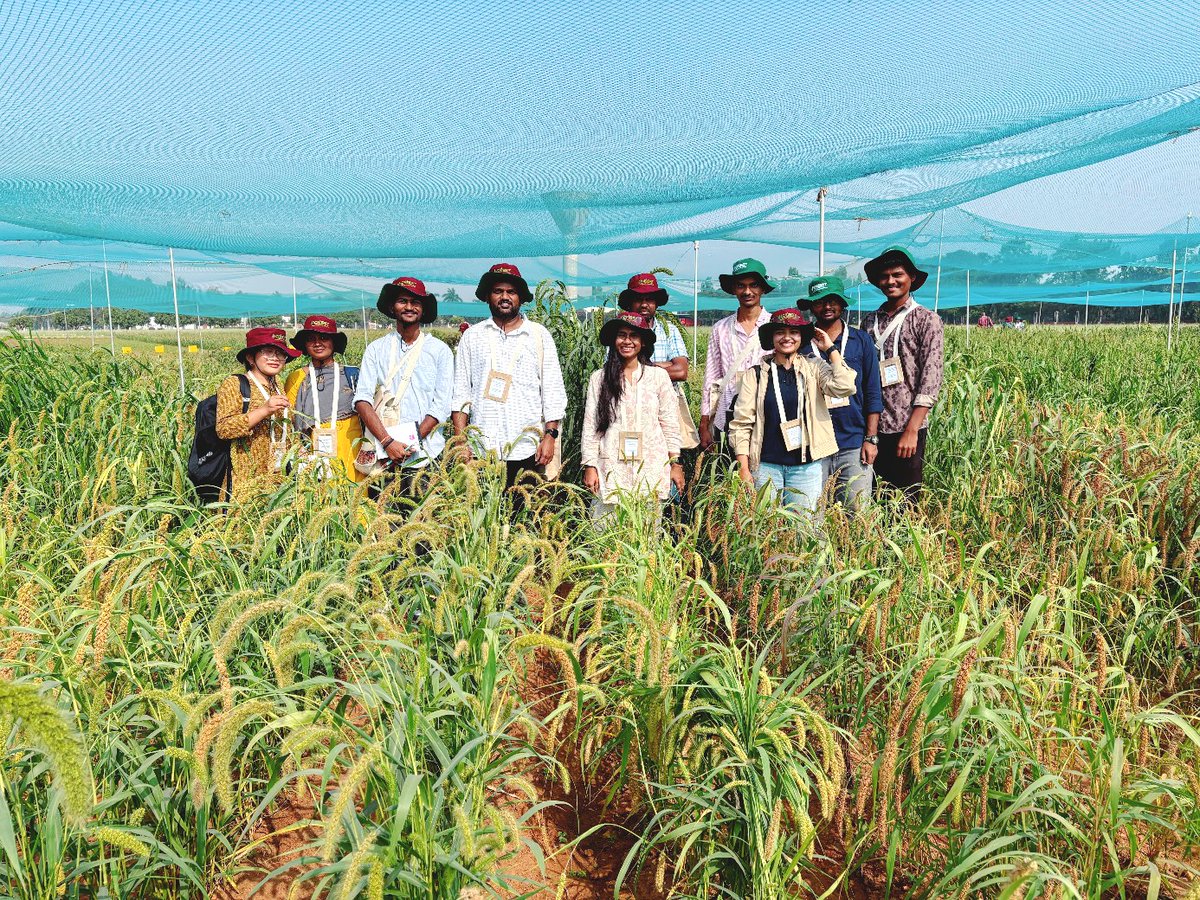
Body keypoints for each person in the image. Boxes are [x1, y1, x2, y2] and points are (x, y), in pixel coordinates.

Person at [728, 308, 856, 516]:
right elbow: (741, 423)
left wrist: (830, 349)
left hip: (806, 467)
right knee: (765, 528)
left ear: (801, 337)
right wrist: (743, 467)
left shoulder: (814, 368)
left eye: (794, 332)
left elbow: (845, 386)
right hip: (766, 466)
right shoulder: (756, 374)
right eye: (780, 332)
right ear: (772, 338)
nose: (787, 338)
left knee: (805, 531)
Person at [452, 263, 567, 487]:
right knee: (483, 516)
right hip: (481, 448)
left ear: (520, 298)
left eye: (511, 292)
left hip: (527, 447)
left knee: (524, 516)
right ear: (487, 297)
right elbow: (461, 393)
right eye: (498, 291)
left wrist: (550, 437)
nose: (505, 297)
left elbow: (553, 390)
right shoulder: (472, 337)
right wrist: (460, 442)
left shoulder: (538, 335)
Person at [352, 277, 454, 496]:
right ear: (392, 307)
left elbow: (441, 405)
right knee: (383, 522)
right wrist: (388, 442)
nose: (409, 307)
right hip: (382, 454)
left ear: (423, 309)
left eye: (416, 302)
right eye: (402, 301)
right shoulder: (376, 349)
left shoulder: (439, 351)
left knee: (425, 521)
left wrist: (409, 444)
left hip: (426, 453)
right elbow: (362, 400)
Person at [860, 247, 944, 503]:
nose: (890, 281)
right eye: (884, 276)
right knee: (874, 496)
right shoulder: (869, 321)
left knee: (905, 499)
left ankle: (905, 545)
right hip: (873, 425)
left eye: (897, 274)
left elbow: (931, 377)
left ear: (912, 279)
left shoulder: (926, 320)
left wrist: (912, 430)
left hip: (907, 425)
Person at [581, 311, 684, 519]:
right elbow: (591, 426)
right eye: (621, 335)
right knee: (606, 531)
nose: (627, 341)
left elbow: (670, 423)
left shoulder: (658, 377)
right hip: (610, 468)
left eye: (634, 336)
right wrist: (590, 465)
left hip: (651, 467)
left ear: (643, 342)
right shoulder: (599, 379)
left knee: (646, 534)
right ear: (613, 340)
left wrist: (675, 464)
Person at [803, 276, 883, 509]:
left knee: (856, 514)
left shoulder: (861, 340)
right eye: (819, 301)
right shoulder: (802, 344)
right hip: (815, 444)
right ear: (811, 306)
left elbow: (873, 392)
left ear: (842, 304)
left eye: (832, 301)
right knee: (814, 515)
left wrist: (870, 438)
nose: (826, 306)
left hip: (854, 443)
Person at [215, 327, 299, 501]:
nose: (275, 358)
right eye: (268, 352)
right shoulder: (235, 384)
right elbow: (223, 428)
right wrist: (264, 410)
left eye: (280, 353)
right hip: (245, 481)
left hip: (278, 477)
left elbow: (285, 428)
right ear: (250, 357)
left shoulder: (278, 385)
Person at [700, 258, 773, 450]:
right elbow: (711, 377)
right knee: (730, 473)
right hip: (728, 415)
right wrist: (704, 422)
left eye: (754, 285)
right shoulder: (721, 329)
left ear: (763, 288)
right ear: (733, 289)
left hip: (767, 413)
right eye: (741, 286)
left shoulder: (776, 327)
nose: (747, 291)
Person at [284, 315, 364, 482]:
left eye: (324, 338)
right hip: (311, 452)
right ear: (305, 346)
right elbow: (290, 418)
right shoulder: (297, 377)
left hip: (349, 449)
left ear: (333, 343)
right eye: (311, 339)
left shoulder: (352, 374)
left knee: (352, 499)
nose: (317, 343)